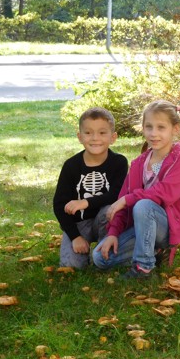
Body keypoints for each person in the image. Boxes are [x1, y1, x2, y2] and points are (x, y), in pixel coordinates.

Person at [92, 100, 180, 279]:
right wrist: (113, 233)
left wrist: (127, 200)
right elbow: (123, 200)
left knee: (143, 205)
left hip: (167, 227)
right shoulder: (139, 163)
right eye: (149, 127)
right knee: (100, 258)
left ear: (175, 129)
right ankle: (154, 251)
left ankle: (143, 267)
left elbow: (164, 193)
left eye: (161, 127)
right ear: (143, 128)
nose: (153, 133)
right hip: (141, 227)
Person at [53, 107, 128, 269]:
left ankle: (103, 253)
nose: (95, 138)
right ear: (80, 137)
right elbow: (59, 205)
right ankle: (82, 249)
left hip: (106, 220)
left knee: (110, 209)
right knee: (71, 266)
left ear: (113, 137)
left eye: (102, 133)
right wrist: (75, 237)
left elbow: (116, 194)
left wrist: (85, 202)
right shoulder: (71, 166)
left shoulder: (119, 162)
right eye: (88, 133)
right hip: (79, 223)